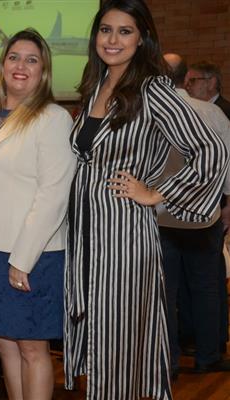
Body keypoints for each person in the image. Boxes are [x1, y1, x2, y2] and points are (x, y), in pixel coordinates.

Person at [64, 1, 229, 398]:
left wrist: (157, 192)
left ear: (142, 39)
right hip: (87, 233)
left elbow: (210, 151)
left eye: (125, 31)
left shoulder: (152, 88)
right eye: (106, 30)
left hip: (124, 236)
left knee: (118, 343)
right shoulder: (95, 84)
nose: (113, 39)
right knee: (101, 341)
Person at [0, 29, 75, 400]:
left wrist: (23, 259)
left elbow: (53, 195)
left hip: (32, 253)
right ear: (2, 66)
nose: (21, 66)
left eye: (32, 60)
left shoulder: (53, 118)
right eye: (15, 57)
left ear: (43, 72)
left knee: (33, 348)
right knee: (2, 343)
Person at [157, 53, 230, 378]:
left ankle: (168, 361)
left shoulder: (153, 113)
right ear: (186, 79)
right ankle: (208, 356)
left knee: (165, 292)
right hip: (204, 217)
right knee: (206, 288)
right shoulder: (210, 111)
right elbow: (227, 159)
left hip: (160, 216)